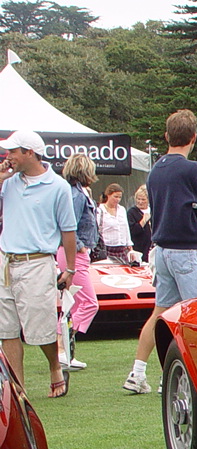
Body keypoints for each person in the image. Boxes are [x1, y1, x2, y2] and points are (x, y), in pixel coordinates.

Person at [124, 109, 197, 394]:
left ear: (167, 136)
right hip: (187, 250)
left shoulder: (157, 169)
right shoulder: (192, 169)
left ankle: (139, 372)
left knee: (160, 313)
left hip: (163, 249)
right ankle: (189, 376)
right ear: (193, 137)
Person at [0, 130, 77, 396]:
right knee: (6, 329)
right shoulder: (8, 183)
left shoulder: (58, 187)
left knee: (40, 328)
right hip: (5, 260)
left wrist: (70, 268)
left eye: (13, 152)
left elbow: (69, 231)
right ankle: (16, 388)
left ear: (29, 153)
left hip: (37, 262)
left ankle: (55, 366)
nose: (8, 157)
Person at [58, 153, 100, 369]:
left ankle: (66, 349)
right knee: (88, 303)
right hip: (74, 253)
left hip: (76, 252)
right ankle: (61, 346)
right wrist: (81, 245)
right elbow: (68, 225)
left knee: (74, 303)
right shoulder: (76, 195)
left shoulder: (80, 193)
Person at [98, 183, 133, 264]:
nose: (117, 199)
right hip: (107, 247)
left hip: (121, 249)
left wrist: (129, 244)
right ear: (108, 195)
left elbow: (126, 227)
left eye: (119, 197)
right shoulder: (100, 209)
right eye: (115, 197)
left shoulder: (122, 209)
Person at [127, 185, 153, 260]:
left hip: (151, 248)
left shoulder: (153, 211)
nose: (140, 202)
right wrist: (143, 221)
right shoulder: (131, 212)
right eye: (138, 199)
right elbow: (132, 231)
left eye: (143, 199)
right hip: (138, 249)